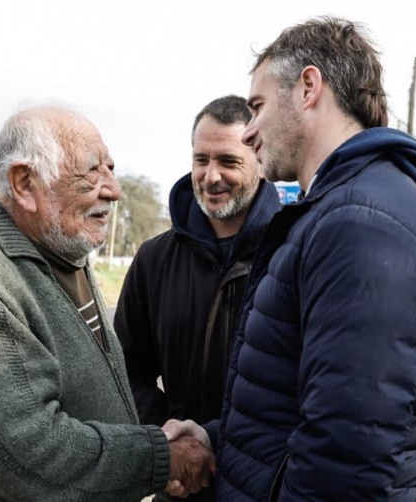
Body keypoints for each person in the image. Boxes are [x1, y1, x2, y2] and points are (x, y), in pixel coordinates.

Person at [165, 17, 416, 501]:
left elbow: (347, 457)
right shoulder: (337, 210)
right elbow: (304, 408)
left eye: (258, 107)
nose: (248, 133)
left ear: (309, 87)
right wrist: (215, 436)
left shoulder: (364, 223)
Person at [0, 105, 214, 502]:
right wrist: (160, 457)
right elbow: (28, 454)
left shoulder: (61, 251)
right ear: (25, 183)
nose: (113, 189)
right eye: (92, 171)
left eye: (109, 169)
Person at [114, 95, 281, 501]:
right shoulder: (154, 259)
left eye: (228, 161)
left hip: (267, 482)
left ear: (259, 159)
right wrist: (170, 440)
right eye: (200, 160)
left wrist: (220, 440)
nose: (211, 176)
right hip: (181, 485)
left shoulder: (290, 252)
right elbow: (123, 368)